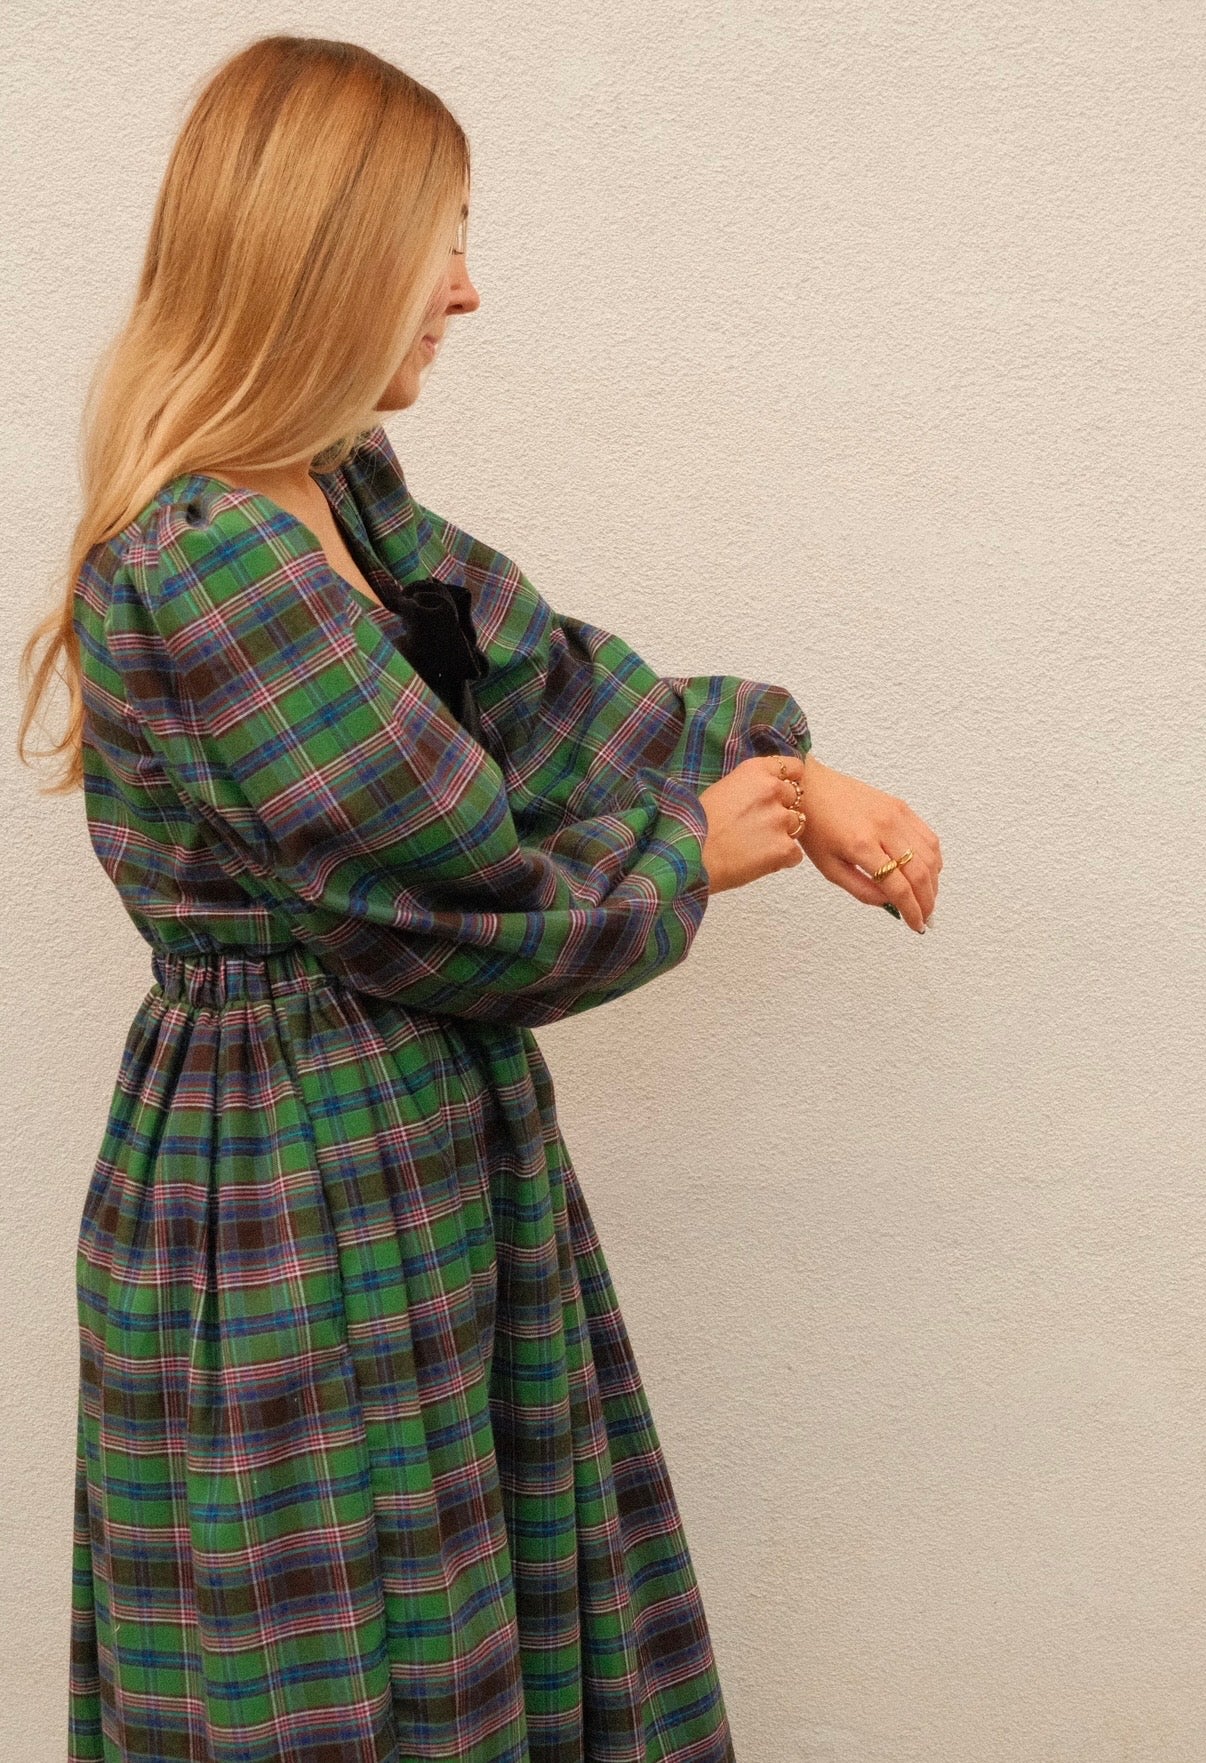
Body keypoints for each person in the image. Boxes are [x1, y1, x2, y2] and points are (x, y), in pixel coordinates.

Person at [17, 33, 942, 1763]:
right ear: (324, 258)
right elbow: (454, 904)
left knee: (462, 1629)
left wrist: (789, 771)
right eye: (434, 242)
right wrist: (690, 853)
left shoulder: (344, 500)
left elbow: (548, 696)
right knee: (347, 1660)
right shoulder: (210, 565)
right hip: (288, 1190)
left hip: (414, 1145)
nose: (463, 290)